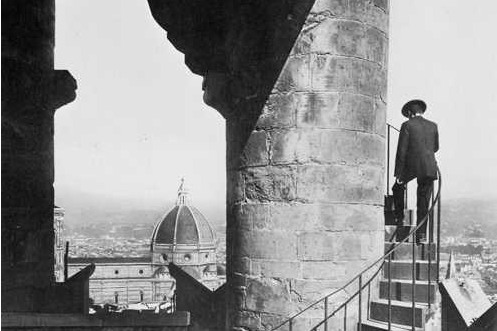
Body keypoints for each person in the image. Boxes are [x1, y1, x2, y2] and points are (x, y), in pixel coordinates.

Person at [394, 99, 439, 244]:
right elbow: (436, 147)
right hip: (430, 168)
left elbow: (401, 151)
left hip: (413, 166)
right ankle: (421, 236)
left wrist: (399, 174)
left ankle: (400, 220)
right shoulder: (433, 125)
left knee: (397, 187)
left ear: (409, 113)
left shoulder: (407, 125)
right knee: (423, 202)